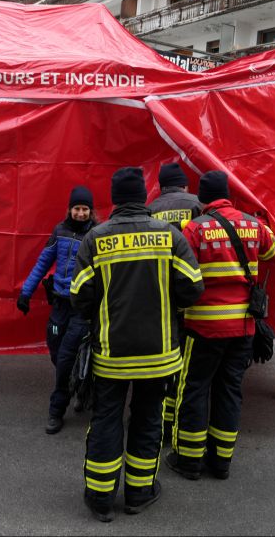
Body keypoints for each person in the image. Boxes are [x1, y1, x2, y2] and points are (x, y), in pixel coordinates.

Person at [70, 167, 204, 522]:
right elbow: (193, 286)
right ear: (142, 197)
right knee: (147, 420)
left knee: (107, 419)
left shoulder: (95, 239)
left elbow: (79, 296)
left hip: (111, 356)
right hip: (160, 355)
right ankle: (139, 494)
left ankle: (100, 498)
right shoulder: (169, 236)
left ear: (115, 199)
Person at [167, 170, 275, 481]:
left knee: (194, 390)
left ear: (202, 198)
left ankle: (188, 461)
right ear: (227, 194)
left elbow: (177, 269)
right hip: (242, 327)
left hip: (203, 327)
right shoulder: (252, 223)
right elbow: (274, 250)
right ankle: (221, 462)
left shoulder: (194, 228)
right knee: (230, 391)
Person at [17, 185, 97, 435]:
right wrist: (25, 292)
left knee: (64, 357)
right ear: (70, 210)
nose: (81, 213)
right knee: (55, 348)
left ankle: (56, 411)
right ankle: (78, 382)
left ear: (91, 211)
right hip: (59, 304)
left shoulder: (96, 235)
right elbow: (43, 262)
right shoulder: (59, 232)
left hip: (81, 307)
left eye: (85, 209)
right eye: (77, 208)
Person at [147, 161, 202, 440]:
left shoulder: (151, 209)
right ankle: (176, 419)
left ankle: (162, 419)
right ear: (184, 184)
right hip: (189, 288)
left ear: (161, 185)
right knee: (186, 360)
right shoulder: (197, 204)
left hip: (159, 292)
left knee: (165, 355)